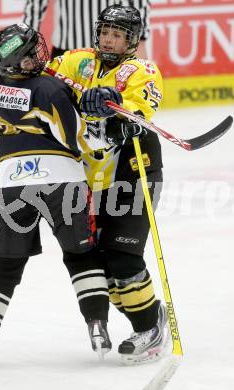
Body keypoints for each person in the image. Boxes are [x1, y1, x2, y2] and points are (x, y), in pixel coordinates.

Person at [0, 23, 113, 367]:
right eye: (31, 54)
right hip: (61, 181)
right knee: (81, 255)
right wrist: (100, 124)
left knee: (5, 263)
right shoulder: (50, 90)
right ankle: (97, 325)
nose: (39, 55)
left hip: (10, 184)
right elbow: (80, 142)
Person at [47, 4, 168, 365]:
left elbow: (136, 112)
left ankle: (149, 326)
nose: (109, 40)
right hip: (93, 177)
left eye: (117, 35)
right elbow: (44, 77)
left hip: (135, 170)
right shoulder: (79, 61)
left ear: (132, 41)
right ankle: (147, 320)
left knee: (122, 256)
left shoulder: (143, 70)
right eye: (105, 32)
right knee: (99, 263)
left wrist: (112, 104)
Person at [23, 0, 152, 58]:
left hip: (113, 52)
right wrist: (26, 41)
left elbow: (139, 4)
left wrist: (138, 41)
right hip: (67, 50)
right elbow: (35, 4)